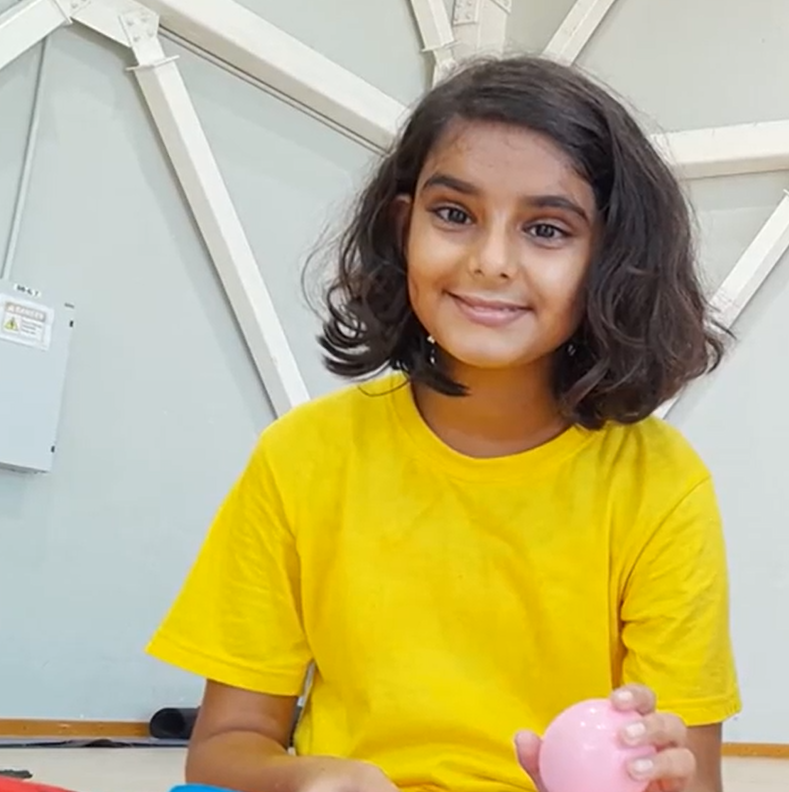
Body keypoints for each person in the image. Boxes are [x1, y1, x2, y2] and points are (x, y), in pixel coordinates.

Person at [145, 56, 738, 792]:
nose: (491, 262)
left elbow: (692, 777)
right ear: (404, 227)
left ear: (611, 260)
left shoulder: (662, 486)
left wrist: (654, 777)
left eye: (547, 229)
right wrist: (315, 778)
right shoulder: (301, 457)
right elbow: (222, 750)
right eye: (454, 215)